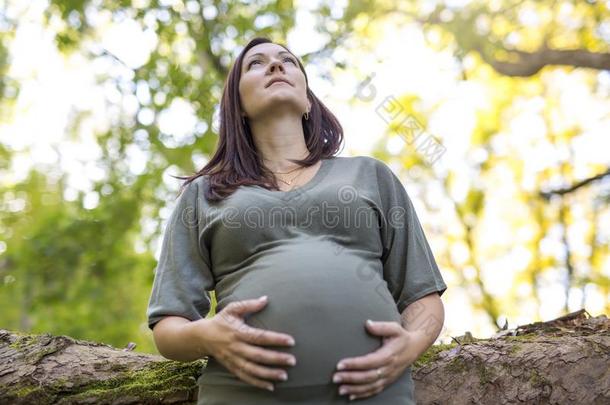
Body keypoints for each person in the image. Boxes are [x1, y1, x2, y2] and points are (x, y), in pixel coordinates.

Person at [146, 37, 448, 404]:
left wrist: (411, 344)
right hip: (243, 395)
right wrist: (208, 335)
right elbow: (168, 327)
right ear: (237, 106)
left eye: (287, 61)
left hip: (374, 394)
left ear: (307, 100)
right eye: (256, 64)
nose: (275, 66)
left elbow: (423, 297)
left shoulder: (369, 175)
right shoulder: (205, 193)